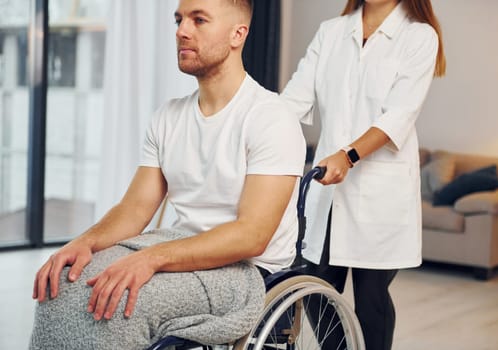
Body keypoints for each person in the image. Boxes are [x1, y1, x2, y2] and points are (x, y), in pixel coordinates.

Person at [30, 0, 306, 348]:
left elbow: (251, 236)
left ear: (239, 34)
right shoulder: (169, 117)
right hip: (179, 247)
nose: (181, 31)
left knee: (117, 304)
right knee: (62, 288)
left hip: (247, 271)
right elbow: (133, 210)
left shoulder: (271, 118)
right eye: (179, 19)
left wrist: (151, 259)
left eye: (199, 20)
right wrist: (83, 242)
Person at [281, 0, 446, 349]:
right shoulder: (331, 32)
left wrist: (349, 154)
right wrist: (250, 125)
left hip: (380, 195)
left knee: (371, 301)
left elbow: (398, 115)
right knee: (312, 286)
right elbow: (293, 99)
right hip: (327, 196)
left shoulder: (419, 37)